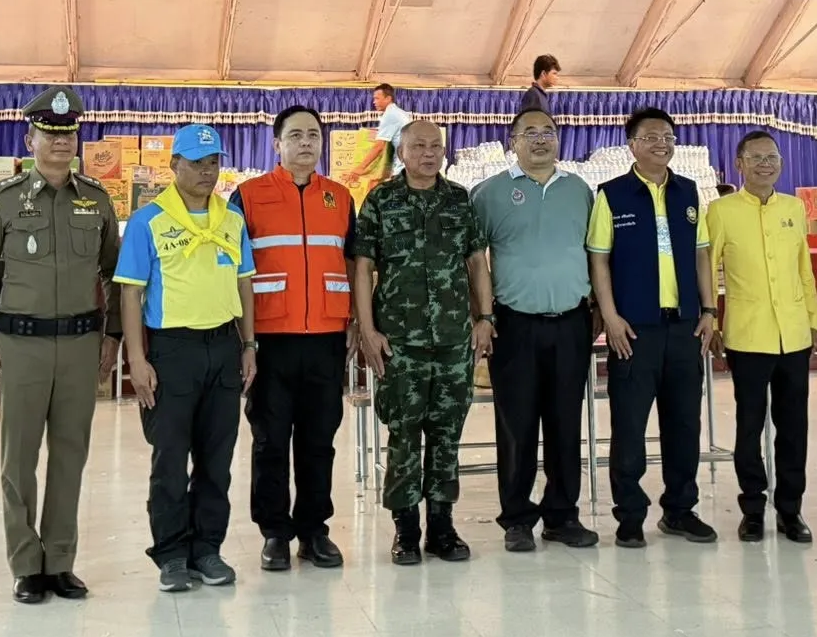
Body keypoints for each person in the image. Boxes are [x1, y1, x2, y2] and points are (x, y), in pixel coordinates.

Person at [0, 86, 121, 605]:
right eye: (50, 133)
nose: (61, 142)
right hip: (21, 346)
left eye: (69, 133)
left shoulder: (96, 200)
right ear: (29, 140)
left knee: (71, 455)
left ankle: (59, 561)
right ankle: (25, 564)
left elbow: (114, 273)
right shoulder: (7, 200)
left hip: (79, 346)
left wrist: (112, 335)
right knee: (18, 460)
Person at [115, 124, 259, 593]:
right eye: (196, 163)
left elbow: (244, 283)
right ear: (174, 165)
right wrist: (137, 359)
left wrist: (249, 345)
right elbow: (131, 294)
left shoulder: (231, 219)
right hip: (171, 350)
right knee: (171, 459)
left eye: (213, 162)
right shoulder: (149, 221)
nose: (206, 172)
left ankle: (207, 549)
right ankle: (172, 554)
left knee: (217, 459)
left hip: (223, 346)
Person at [354, 118, 493, 566]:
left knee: (447, 434)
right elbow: (363, 267)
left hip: (453, 341)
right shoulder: (381, 200)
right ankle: (406, 530)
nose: (428, 153)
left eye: (436, 146)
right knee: (403, 435)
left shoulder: (458, 199)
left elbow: (476, 261)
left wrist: (485, 317)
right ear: (402, 151)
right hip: (400, 342)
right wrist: (367, 329)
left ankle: (442, 527)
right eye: (418, 146)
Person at [469, 107, 600, 553]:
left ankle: (562, 516)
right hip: (513, 326)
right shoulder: (489, 194)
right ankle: (517, 518)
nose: (541, 139)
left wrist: (597, 307)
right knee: (517, 425)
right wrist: (482, 316)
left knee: (565, 422)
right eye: (530, 133)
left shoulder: (579, 191)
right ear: (513, 142)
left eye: (549, 131)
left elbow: (595, 254)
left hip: (571, 323)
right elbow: (474, 260)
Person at [588, 107, 718, 548]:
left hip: (684, 328)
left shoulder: (688, 192)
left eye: (667, 137)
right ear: (632, 145)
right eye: (650, 137)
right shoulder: (612, 195)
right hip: (634, 330)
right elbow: (599, 260)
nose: (661, 144)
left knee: (684, 424)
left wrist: (708, 309)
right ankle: (629, 516)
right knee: (629, 428)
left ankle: (680, 510)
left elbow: (701, 254)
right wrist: (610, 317)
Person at [231, 105, 353, 572]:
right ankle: (275, 533)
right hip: (270, 338)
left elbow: (353, 262)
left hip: (326, 336)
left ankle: (314, 530)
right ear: (277, 144)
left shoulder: (340, 197)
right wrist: (244, 340)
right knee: (270, 439)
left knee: (320, 438)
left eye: (314, 135)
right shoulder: (249, 196)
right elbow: (235, 269)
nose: (306, 143)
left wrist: (354, 324)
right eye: (296, 135)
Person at [704, 130, 817, 545]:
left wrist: (813, 320)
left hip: (794, 334)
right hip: (747, 335)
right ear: (739, 164)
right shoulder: (721, 211)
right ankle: (752, 508)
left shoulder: (793, 208)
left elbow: (804, 268)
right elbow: (707, 269)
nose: (765, 164)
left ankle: (791, 509)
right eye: (756, 158)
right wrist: (712, 321)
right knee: (749, 425)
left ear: (781, 164)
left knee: (794, 426)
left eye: (772, 157)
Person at [372, 82, 413, 176]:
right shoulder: (400, 112)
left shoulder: (390, 114)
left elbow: (379, 147)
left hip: (403, 168)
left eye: (377, 98)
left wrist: (359, 169)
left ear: (388, 98)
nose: (374, 102)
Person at [517, 54, 560, 119]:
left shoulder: (541, 95)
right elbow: (528, 122)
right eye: (554, 73)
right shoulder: (533, 94)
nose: (557, 78)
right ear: (543, 73)